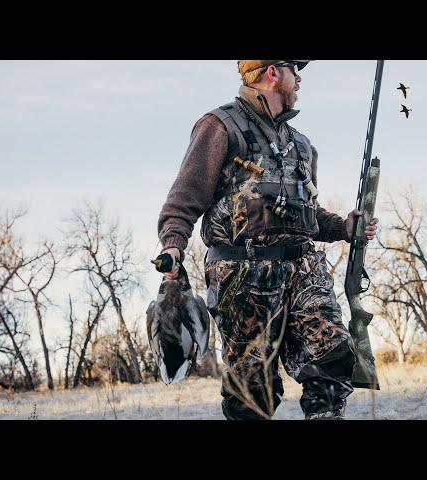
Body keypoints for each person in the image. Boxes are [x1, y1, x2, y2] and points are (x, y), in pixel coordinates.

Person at [157, 60, 378, 420]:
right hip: (244, 275)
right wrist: (172, 245)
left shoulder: (303, 146)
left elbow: (307, 216)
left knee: (333, 359)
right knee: (252, 390)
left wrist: (344, 228)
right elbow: (185, 198)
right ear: (273, 73)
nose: (300, 78)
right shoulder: (219, 126)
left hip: (303, 269)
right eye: (294, 69)